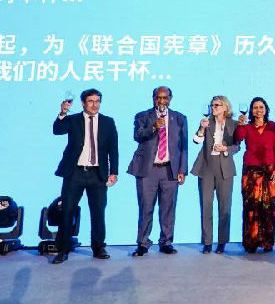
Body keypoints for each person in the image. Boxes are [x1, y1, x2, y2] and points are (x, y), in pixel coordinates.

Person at [51, 88, 119, 264]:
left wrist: (114, 172)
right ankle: (62, 250)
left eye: (97, 101)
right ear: (83, 103)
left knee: (98, 212)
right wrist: (62, 113)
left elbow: (113, 149)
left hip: (98, 174)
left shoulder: (108, 122)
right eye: (91, 101)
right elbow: (57, 130)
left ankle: (99, 248)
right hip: (75, 173)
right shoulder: (73, 119)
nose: (94, 105)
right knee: (67, 211)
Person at [127, 86, 188, 256]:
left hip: (170, 170)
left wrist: (182, 170)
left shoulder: (180, 118)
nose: (161, 101)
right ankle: (143, 243)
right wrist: (153, 127)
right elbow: (138, 135)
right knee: (145, 207)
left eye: (164, 98)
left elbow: (183, 147)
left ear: (170, 98)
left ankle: (166, 242)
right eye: (158, 98)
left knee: (168, 208)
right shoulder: (142, 116)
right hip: (148, 170)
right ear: (153, 98)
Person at [190, 95, 240, 254]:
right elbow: (196, 140)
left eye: (217, 105)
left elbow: (237, 146)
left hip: (225, 168)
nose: (213, 108)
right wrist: (201, 128)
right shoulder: (207, 122)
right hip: (207, 167)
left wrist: (226, 149)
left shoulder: (234, 124)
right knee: (206, 205)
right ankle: (207, 242)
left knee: (224, 207)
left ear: (225, 107)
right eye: (212, 105)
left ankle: (222, 242)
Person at [234, 97, 275, 253]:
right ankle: (251, 242)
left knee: (269, 207)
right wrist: (240, 124)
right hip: (251, 172)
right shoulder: (246, 127)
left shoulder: (273, 126)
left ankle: (267, 242)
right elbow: (238, 138)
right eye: (255, 107)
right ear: (251, 110)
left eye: (261, 107)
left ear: (266, 109)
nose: (258, 110)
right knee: (251, 207)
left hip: (270, 172)